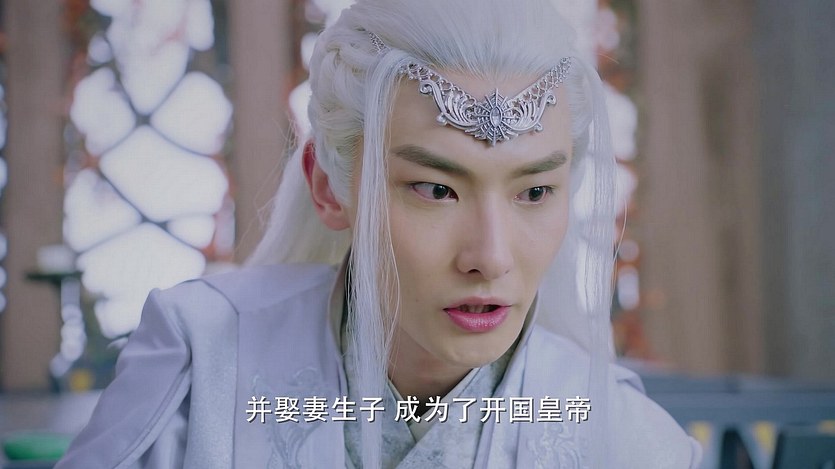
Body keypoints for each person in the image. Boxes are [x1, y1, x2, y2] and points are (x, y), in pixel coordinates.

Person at [56, 0, 702, 467]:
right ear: (327, 185)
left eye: (533, 192)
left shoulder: (627, 438)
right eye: (435, 189)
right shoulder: (202, 365)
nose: (490, 256)